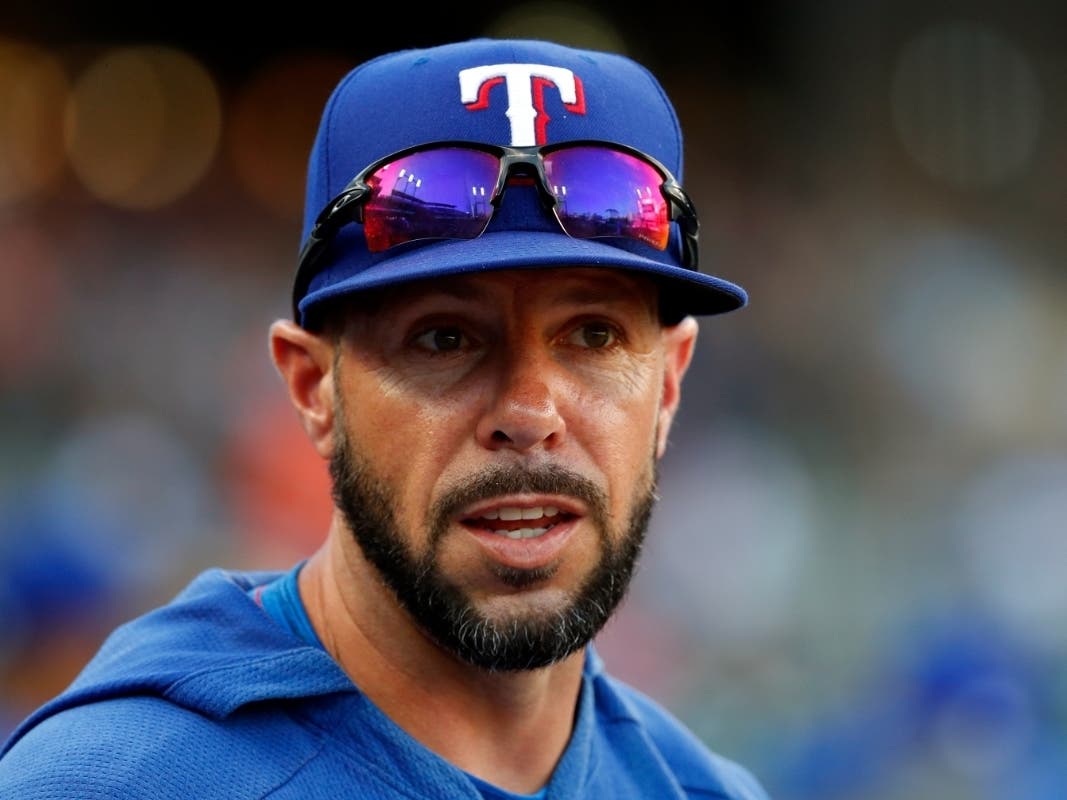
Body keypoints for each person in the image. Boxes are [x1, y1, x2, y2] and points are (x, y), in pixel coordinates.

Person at [0, 37, 770, 799]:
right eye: (444, 338)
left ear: (667, 386)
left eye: (593, 335)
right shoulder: (111, 781)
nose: (530, 414)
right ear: (312, 390)